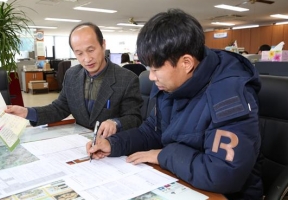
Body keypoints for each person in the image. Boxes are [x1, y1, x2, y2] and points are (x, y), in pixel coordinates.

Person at [87, 9, 262, 199]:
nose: (151, 77)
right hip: (180, 178)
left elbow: (223, 174)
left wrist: (162, 155)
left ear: (186, 63)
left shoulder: (230, 95)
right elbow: (152, 131)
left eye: (156, 69)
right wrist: (113, 144)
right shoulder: (169, 85)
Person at [5, 22, 143, 137]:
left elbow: (134, 118)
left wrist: (116, 123)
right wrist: (27, 112)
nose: (87, 59)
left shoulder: (127, 79)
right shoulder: (72, 75)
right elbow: (60, 108)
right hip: (80, 144)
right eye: (79, 53)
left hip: (114, 146)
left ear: (103, 44)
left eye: (91, 50)